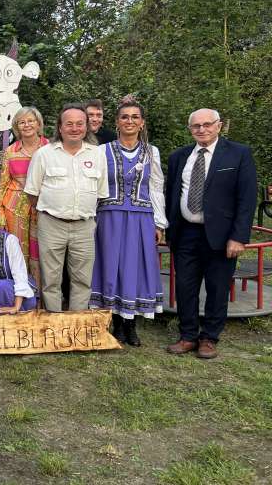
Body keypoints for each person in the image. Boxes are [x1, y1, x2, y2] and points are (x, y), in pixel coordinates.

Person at [165, 108, 256, 359]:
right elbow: (171, 194)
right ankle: (187, 336)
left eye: (207, 124)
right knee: (185, 287)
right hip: (185, 234)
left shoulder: (238, 154)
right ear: (190, 129)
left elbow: (246, 199)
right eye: (196, 126)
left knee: (217, 288)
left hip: (222, 235)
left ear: (219, 126)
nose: (202, 129)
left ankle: (209, 338)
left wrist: (238, 237)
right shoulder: (179, 157)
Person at [89, 98, 168, 346]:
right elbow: (95, 186)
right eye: (125, 117)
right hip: (109, 216)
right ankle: (113, 320)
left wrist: (159, 223)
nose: (130, 121)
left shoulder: (151, 151)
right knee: (110, 265)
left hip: (141, 218)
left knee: (134, 267)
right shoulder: (103, 150)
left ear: (142, 123)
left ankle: (130, 324)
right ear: (117, 122)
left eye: (135, 117)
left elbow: (155, 188)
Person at [24, 103, 108, 311]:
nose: (74, 128)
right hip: (51, 224)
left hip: (84, 226)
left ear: (87, 127)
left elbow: (100, 193)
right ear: (60, 128)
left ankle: (76, 327)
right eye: (69, 124)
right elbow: (32, 193)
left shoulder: (97, 154)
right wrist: (54, 210)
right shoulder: (44, 154)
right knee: (51, 280)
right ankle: (55, 327)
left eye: (80, 124)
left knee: (82, 280)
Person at [0, 106, 49, 287]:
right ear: (17, 127)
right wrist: (0, 213)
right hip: (14, 208)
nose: (26, 125)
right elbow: (3, 184)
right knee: (17, 253)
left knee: (42, 252)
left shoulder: (50, 148)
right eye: (22, 122)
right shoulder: (11, 151)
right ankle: (21, 297)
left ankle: (42, 300)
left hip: (44, 207)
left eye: (30, 121)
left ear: (38, 124)